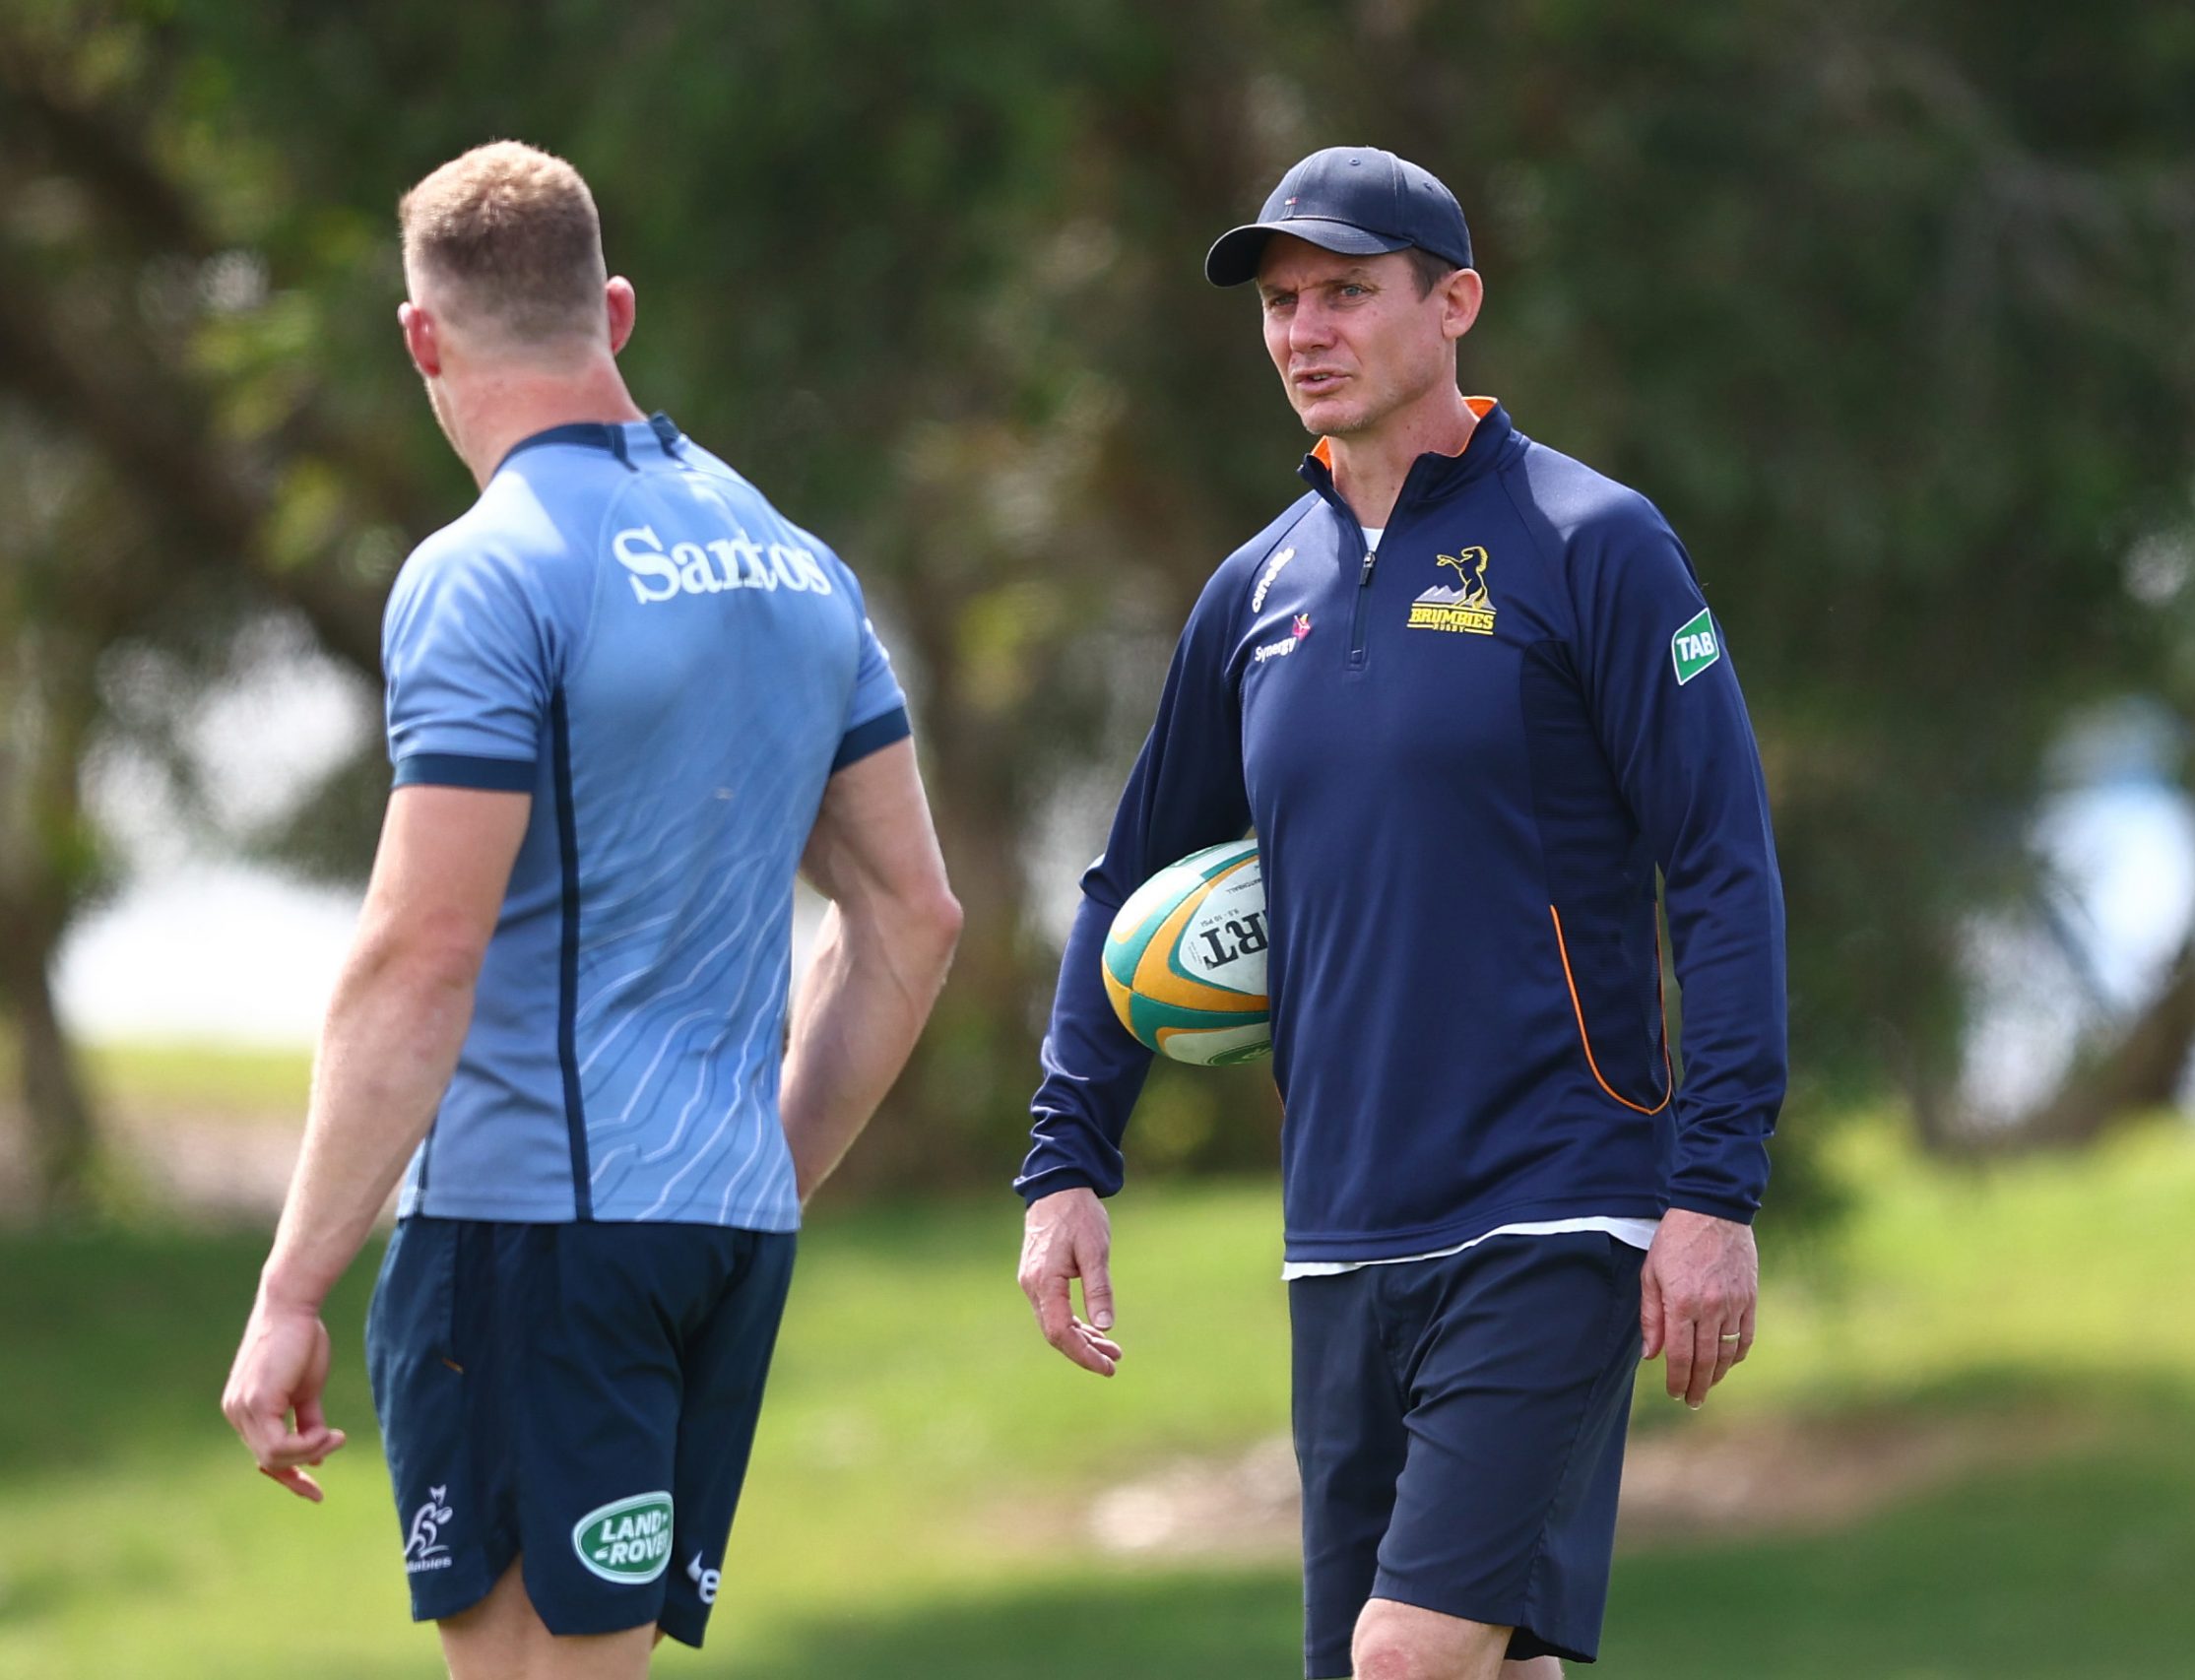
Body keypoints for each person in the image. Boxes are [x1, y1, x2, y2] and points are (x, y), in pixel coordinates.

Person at [1015, 146, 1788, 1680]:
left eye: (1346, 294)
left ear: (1455, 304)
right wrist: (1067, 1156)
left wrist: (1715, 1190)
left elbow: (1722, 865)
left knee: (1406, 1658)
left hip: (1555, 1204)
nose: (1305, 330)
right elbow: (1127, 884)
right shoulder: (1251, 596)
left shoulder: (1594, 546)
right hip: (1342, 1235)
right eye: (1283, 302)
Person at [220, 141, 962, 1679]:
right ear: (611, 311)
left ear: (424, 339)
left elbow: (418, 958)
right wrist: (751, 1170)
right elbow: (913, 916)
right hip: (718, 1230)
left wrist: (291, 1284)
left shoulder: (484, 574)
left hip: (528, 1230)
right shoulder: (797, 563)